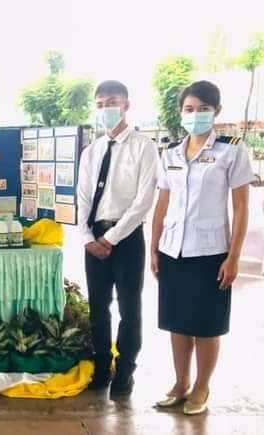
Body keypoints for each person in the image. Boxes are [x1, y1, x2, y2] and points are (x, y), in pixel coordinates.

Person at [151, 81, 253, 415]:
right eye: (189, 109)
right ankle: (181, 383)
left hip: (211, 253)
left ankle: (202, 387)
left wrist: (233, 257)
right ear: (181, 112)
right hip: (173, 250)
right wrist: (154, 248)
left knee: (206, 325)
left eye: (203, 109)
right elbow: (162, 203)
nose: (196, 115)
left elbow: (241, 207)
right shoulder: (170, 153)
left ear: (216, 111)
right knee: (177, 322)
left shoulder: (231, 150)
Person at [76, 81, 159, 396]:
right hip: (94, 237)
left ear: (126, 105)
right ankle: (101, 366)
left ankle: (125, 371)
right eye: (99, 104)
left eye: (111, 102)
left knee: (129, 308)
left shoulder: (143, 146)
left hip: (126, 238)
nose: (105, 109)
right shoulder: (91, 151)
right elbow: (82, 198)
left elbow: (143, 201)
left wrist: (111, 238)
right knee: (98, 307)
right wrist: (87, 238)